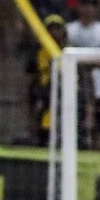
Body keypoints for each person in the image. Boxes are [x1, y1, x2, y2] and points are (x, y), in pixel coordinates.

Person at [65, 0, 100, 149]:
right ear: (79, 7)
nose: (88, 9)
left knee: (97, 110)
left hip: (96, 79)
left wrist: (91, 64)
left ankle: (96, 140)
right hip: (74, 79)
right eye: (84, 5)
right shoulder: (70, 30)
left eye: (91, 5)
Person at [27, 13, 68, 146]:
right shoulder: (37, 53)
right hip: (45, 96)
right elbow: (32, 79)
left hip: (66, 97)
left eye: (58, 28)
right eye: (51, 29)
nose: (54, 32)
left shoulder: (70, 52)